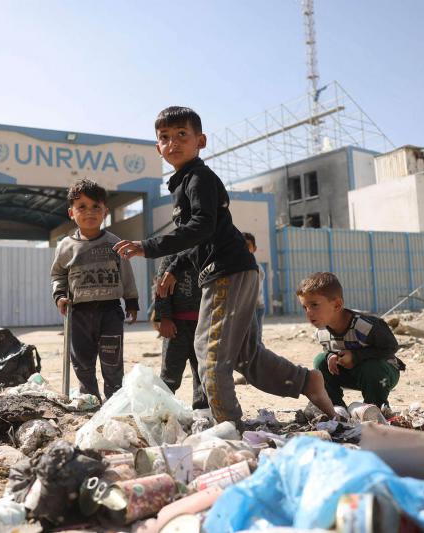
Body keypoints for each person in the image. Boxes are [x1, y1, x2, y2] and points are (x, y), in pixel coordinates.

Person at [113, 106, 335, 425]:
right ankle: (306, 381)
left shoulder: (198, 178)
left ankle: (227, 424)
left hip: (227, 272)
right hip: (233, 269)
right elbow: (201, 237)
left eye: (182, 134)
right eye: (165, 137)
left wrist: (148, 246)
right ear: (157, 148)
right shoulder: (185, 182)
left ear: (200, 141)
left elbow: (202, 226)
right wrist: (174, 266)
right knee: (245, 354)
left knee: (208, 351)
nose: (173, 142)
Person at [51, 178, 139, 401]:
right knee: (82, 361)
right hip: (79, 313)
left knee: (112, 361)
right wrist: (59, 296)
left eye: (95, 207)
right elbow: (58, 275)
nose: (89, 212)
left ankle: (114, 400)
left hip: (110, 312)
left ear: (105, 212)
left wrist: (131, 301)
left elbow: (126, 274)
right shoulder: (65, 247)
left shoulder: (114, 243)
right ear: (71, 213)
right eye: (82, 207)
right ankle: (90, 398)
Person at [297, 272, 405, 410]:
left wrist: (356, 356)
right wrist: (331, 356)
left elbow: (391, 347)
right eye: (305, 307)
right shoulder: (321, 331)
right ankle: (336, 408)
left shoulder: (366, 325)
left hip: (383, 374)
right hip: (351, 374)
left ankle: (375, 408)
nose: (308, 312)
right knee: (320, 361)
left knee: (372, 368)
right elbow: (329, 349)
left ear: (337, 305)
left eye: (314, 305)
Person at [153, 253, 208, 410]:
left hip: (204, 324)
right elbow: (161, 287)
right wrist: (164, 318)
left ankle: (202, 410)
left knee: (203, 372)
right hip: (176, 326)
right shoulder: (171, 255)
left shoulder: (208, 251)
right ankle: (163, 410)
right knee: (170, 373)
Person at [242, 232, 265, 345]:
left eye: (247, 245)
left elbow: (252, 290)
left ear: (254, 248)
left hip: (255, 306)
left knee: (256, 339)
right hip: (245, 307)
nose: (244, 249)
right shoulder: (241, 266)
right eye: (241, 245)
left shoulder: (256, 267)